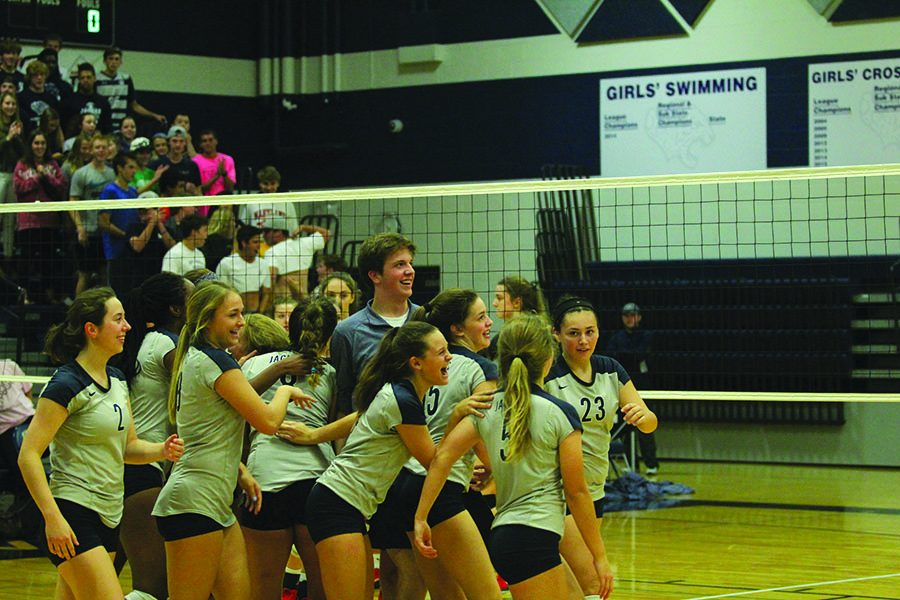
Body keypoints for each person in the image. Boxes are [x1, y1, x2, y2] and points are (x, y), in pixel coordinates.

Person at [413, 313, 611, 600]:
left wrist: (421, 517)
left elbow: (442, 457)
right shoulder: (559, 413)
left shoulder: (487, 409)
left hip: (507, 534)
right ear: (548, 359)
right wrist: (599, 556)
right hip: (534, 536)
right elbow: (577, 492)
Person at [17, 287, 183, 600]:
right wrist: (53, 519)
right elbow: (28, 456)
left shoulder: (118, 379)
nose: (127, 327)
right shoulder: (67, 384)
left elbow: (128, 448)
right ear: (91, 330)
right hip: (72, 513)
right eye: (118, 319)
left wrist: (162, 449)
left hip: (108, 514)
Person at [151, 280, 312, 600]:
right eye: (233, 314)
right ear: (209, 319)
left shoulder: (196, 358)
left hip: (215, 502)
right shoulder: (215, 361)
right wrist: (285, 390)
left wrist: (239, 469)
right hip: (193, 502)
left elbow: (205, 430)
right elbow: (267, 422)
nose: (242, 321)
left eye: (242, 313)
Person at [305, 320, 483, 600]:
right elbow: (435, 462)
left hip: (350, 507)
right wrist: (457, 417)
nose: (450, 357)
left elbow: (360, 418)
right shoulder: (402, 399)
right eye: (441, 352)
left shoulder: (400, 393)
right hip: (335, 503)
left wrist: (313, 435)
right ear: (416, 363)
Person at [328, 231, 423, 598]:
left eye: (410, 263)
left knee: (413, 562)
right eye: (399, 265)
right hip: (374, 467)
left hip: (420, 460)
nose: (409, 271)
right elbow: (344, 403)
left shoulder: (426, 322)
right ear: (374, 276)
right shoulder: (348, 332)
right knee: (393, 562)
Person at [545, 296, 658, 597]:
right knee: (594, 581)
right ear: (556, 333)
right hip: (558, 492)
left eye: (590, 331)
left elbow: (650, 423)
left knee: (574, 588)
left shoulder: (610, 369)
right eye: (573, 333)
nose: (584, 340)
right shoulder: (548, 376)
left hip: (593, 490)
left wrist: (643, 416)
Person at [397, 288, 501, 599]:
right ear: (457, 328)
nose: (490, 322)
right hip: (440, 486)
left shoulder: (419, 363)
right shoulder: (481, 369)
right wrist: (493, 467)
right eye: (481, 317)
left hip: (405, 483)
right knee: (487, 596)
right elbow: (484, 431)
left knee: (446, 596)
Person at [240, 298, 338, 600]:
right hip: (317, 481)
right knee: (321, 587)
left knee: (263, 587)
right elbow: (336, 430)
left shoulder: (254, 365)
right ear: (330, 335)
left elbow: (236, 422)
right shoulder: (330, 374)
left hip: (264, 481)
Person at [115, 273, 193, 600]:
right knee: (153, 589)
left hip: (127, 469)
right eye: (194, 297)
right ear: (176, 309)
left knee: (95, 583)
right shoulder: (165, 343)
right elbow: (202, 390)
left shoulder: (144, 341)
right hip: (143, 472)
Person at [605, 302, 660, 475]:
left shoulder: (647, 335)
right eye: (626, 315)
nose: (630, 319)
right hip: (623, 387)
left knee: (644, 425)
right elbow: (612, 356)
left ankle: (651, 463)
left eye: (633, 315)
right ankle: (631, 464)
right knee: (625, 427)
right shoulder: (617, 337)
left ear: (639, 317)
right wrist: (631, 357)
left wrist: (626, 356)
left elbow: (642, 354)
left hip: (643, 387)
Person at [13, 130, 67, 303]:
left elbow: (61, 185)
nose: (40, 146)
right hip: (28, 222)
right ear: (30, 145)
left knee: (48, 261)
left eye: (42, 143)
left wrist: (46, 175)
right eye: (36, 143)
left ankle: (50, 296)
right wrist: (37, 177)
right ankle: (26, 296)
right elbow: (18, 187)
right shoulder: (22, 164)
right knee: (26, 261)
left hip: (49, 221)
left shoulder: (52, 164)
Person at [69, 133, 115, 295]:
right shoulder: (81, 173)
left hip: (105, 234)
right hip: (87, 233)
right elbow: (72, 202)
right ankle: (75, 317)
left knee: (105, 275)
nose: (101, 151)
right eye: (97, 147)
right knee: (85, 275)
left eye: (104, 147)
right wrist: (80, 228)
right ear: (92, 150)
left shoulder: (112, 174)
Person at [95, 47, 166, 134]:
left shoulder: (126, 79)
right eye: (110, 59)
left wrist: (154, 115)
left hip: (121, 127)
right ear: (105, 61)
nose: (113, 62)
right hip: (103, 126)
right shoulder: (96, 79)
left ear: (121, 62)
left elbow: (134, 105)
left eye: (117, 59)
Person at [98, 153, 140, 297]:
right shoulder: (110, 191)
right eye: (130, 167)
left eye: (135, 168)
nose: (134, 171)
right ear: (120, 168)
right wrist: (125, 236)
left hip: (132, 250)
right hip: (115, 251)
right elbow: (103, 223)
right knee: (115, 293)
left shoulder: (133, 192)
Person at [486, 275, 547, 359]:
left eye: (499, 298)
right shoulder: (543, 331)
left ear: (517, 302)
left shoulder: (504, 338)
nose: (494, 303)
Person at [216, 225, 272, 315]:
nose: (259, 246)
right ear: (244, 243)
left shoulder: (263, 264)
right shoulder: (226, 263)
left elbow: (266, 293)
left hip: (256, 314)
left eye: (260, 242)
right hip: (234, 313)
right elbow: (221, 292)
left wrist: (259, 315)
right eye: (255, 242)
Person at [119, 205, 176, 294]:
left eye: (154, 210)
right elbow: (138, 246)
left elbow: (173, 248)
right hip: (139, 277)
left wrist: (160, 224)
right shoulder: (133, 227)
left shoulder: (166, 229)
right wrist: (152, 223)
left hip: (160, 276)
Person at [267, 223, 330, 300]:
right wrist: (304, 227)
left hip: (284, 304)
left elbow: (271, 279)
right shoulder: (304, 243)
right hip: (303, 302)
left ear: (279, 232)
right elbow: (326, 233)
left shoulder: (271, 252)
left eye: (266, 232)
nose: (263, 235)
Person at [0, 91, 25, 258]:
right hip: (0, 175)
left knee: (10, 220)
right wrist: (8, 137)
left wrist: (16, 137)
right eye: (7, 103)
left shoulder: (18, 126)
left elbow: (23, 153)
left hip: (14, 176)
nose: (10, 107)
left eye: (13, 104)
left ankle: (8, 258)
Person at [61, 63, 112, 136]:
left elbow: (108, 129)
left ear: (94, 78)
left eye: (88, 77)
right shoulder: (69, 102)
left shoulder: (103, 102)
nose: (85, 80)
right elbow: (65, 127)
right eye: (82, 78)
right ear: (78, 79)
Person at [18, 60, 58, 136]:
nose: (39, 78)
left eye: (42, 74)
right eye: (35, 75)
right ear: (29, 77)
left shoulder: (52, 99)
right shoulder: (21, 97)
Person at [192, 129, 236, 197]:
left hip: (223, 203)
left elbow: (230, 189)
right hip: (204, 203)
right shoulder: (195, 162)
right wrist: (216, 176)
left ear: (216, 141)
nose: (208, 143)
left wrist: (224, 174)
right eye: (204, 141)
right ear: (200, 144)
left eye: (211, 140)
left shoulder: (227, 160)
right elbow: (199, 190)